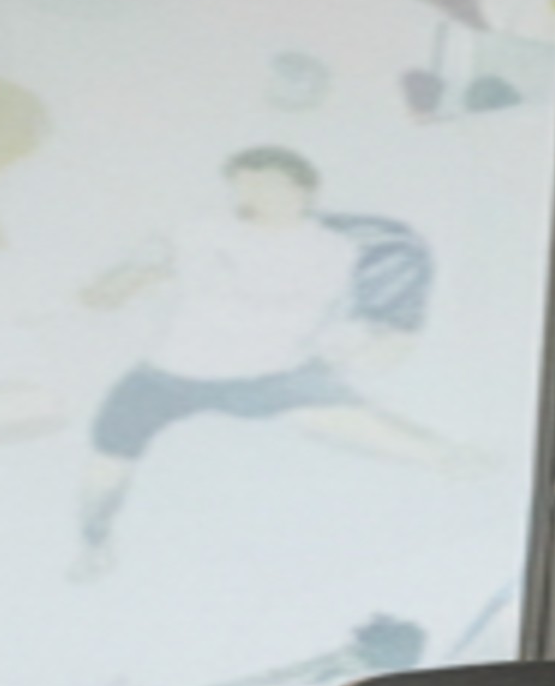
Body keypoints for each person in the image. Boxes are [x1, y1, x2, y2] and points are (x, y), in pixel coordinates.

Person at [71, 145, 450, 573]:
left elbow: (383, 330)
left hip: (269, 373)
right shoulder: (198, 232)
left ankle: (452, 461)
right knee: (108, 458)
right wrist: (122, 282)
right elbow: (114, 287)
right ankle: (93, 541)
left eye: (264, 187)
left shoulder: (341, 249)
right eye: (242, 188)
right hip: (171, 372)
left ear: (303, 191)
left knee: (350, 421)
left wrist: (356, 351)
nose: (250, 198)